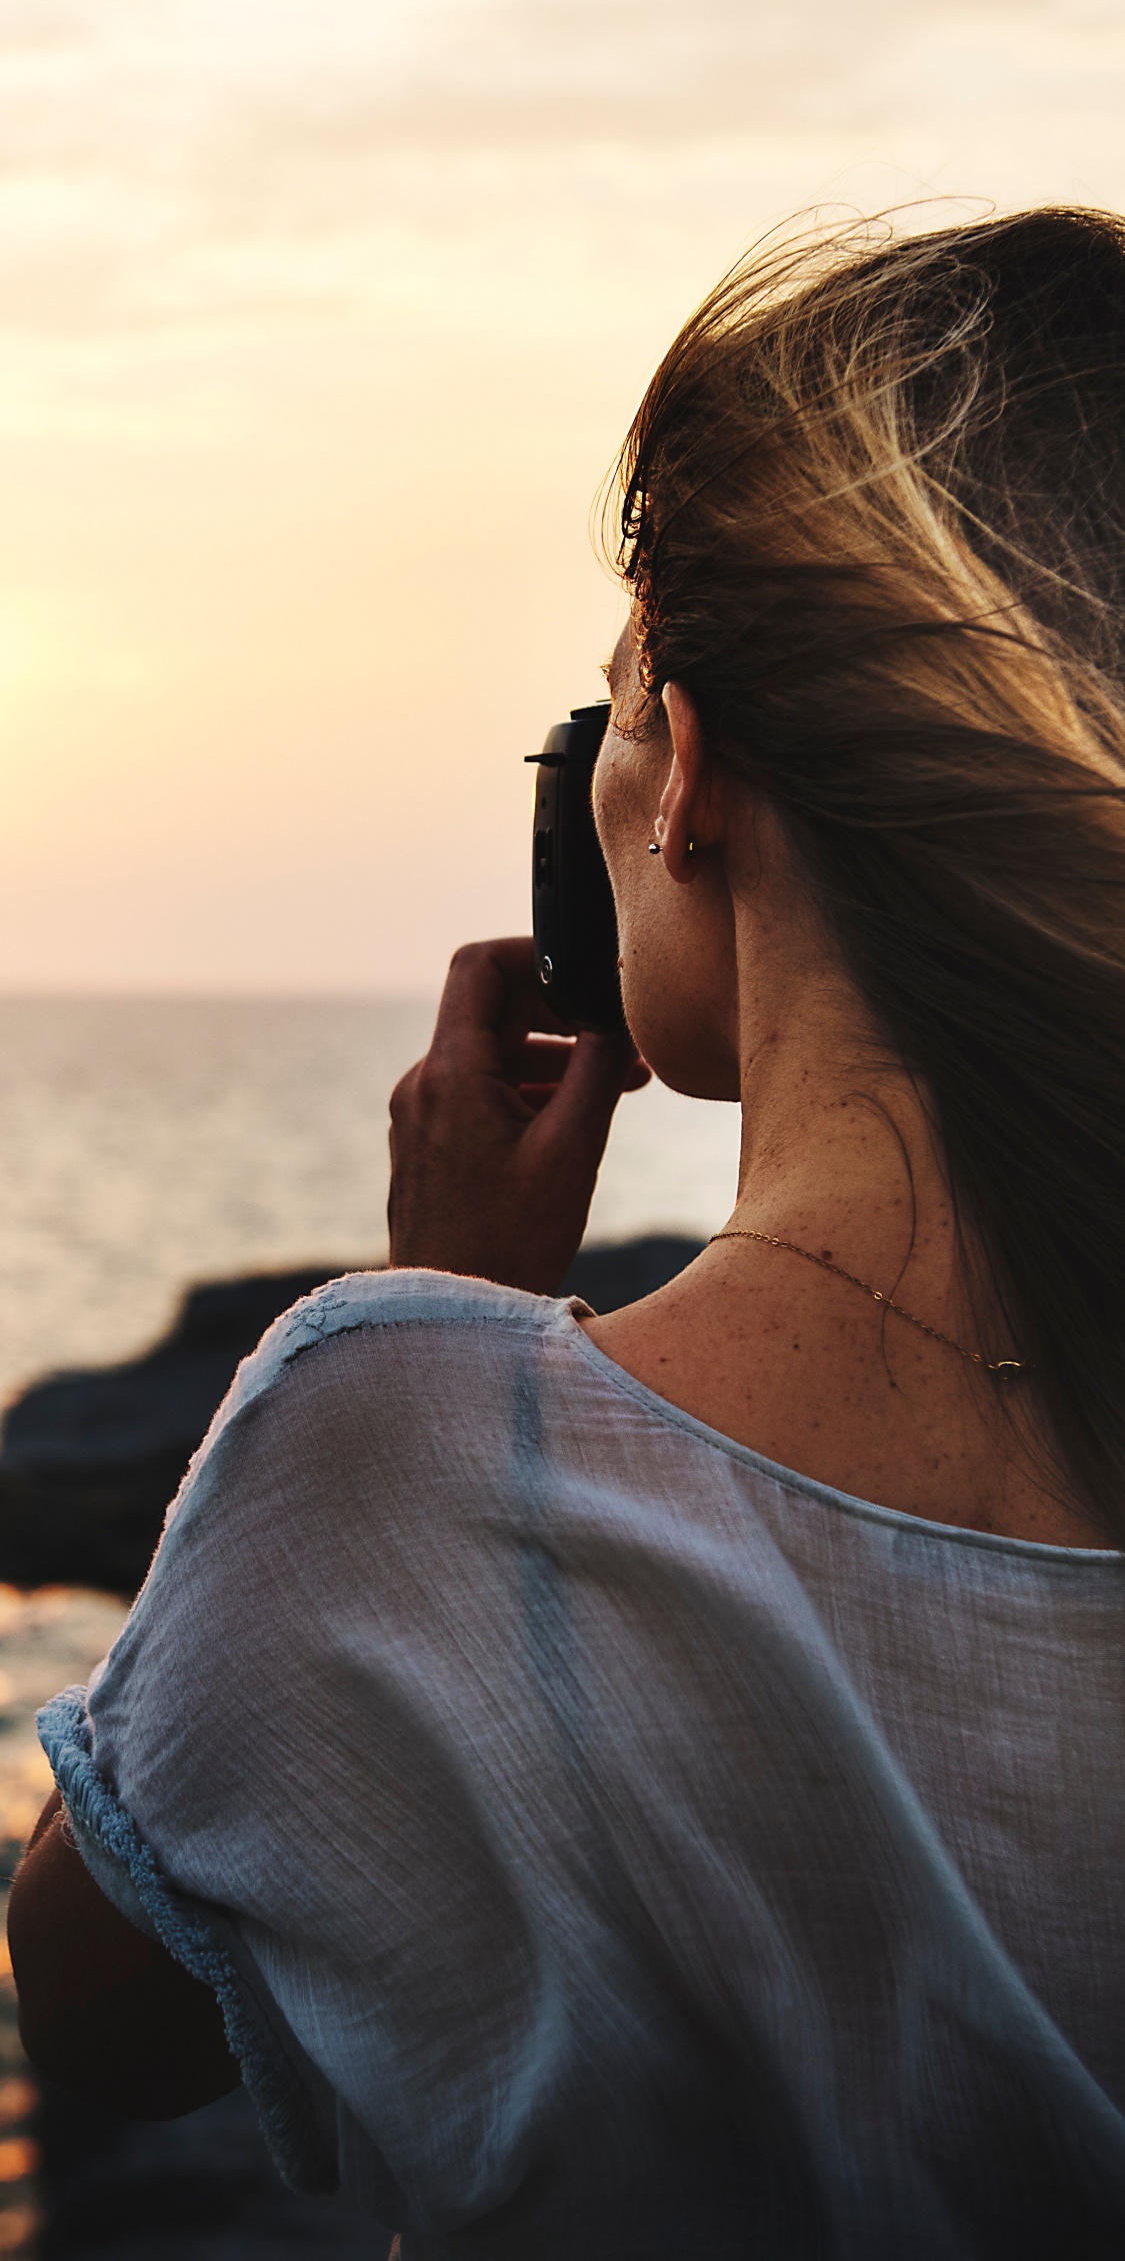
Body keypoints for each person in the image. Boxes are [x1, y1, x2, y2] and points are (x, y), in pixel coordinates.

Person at [11, 205, 1125, 2259]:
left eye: (614, 706)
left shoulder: (395, 1421)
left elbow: (101, 2010)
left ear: (683, 772)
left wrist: (444, 1314)